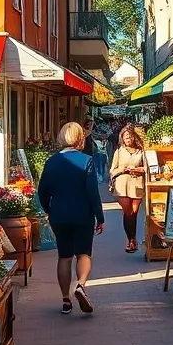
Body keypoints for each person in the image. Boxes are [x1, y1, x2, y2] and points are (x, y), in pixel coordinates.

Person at [37, 122, 104, 314]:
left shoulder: (51, 162)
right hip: (83, 215)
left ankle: (66, 300)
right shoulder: (86, 161)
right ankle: (80, 285)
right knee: (84, 254)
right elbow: (92, 192)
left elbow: (42, 191)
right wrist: (100, 217)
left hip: (59, 215)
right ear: (80, 138)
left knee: (64, 257)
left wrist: (49, 209)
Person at [109, 124, 145, 252]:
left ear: (134, 137)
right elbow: (112, 170)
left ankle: (132, 239)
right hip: (122, 184)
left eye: (129, 137)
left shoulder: (141, 151)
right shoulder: (119, 151)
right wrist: (122, 169)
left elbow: (148, 168)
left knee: (134, 213)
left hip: (137, 183)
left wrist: (139, 169)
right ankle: (130, 240)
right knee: (127, 212)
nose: (127, 139)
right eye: (125, 137)